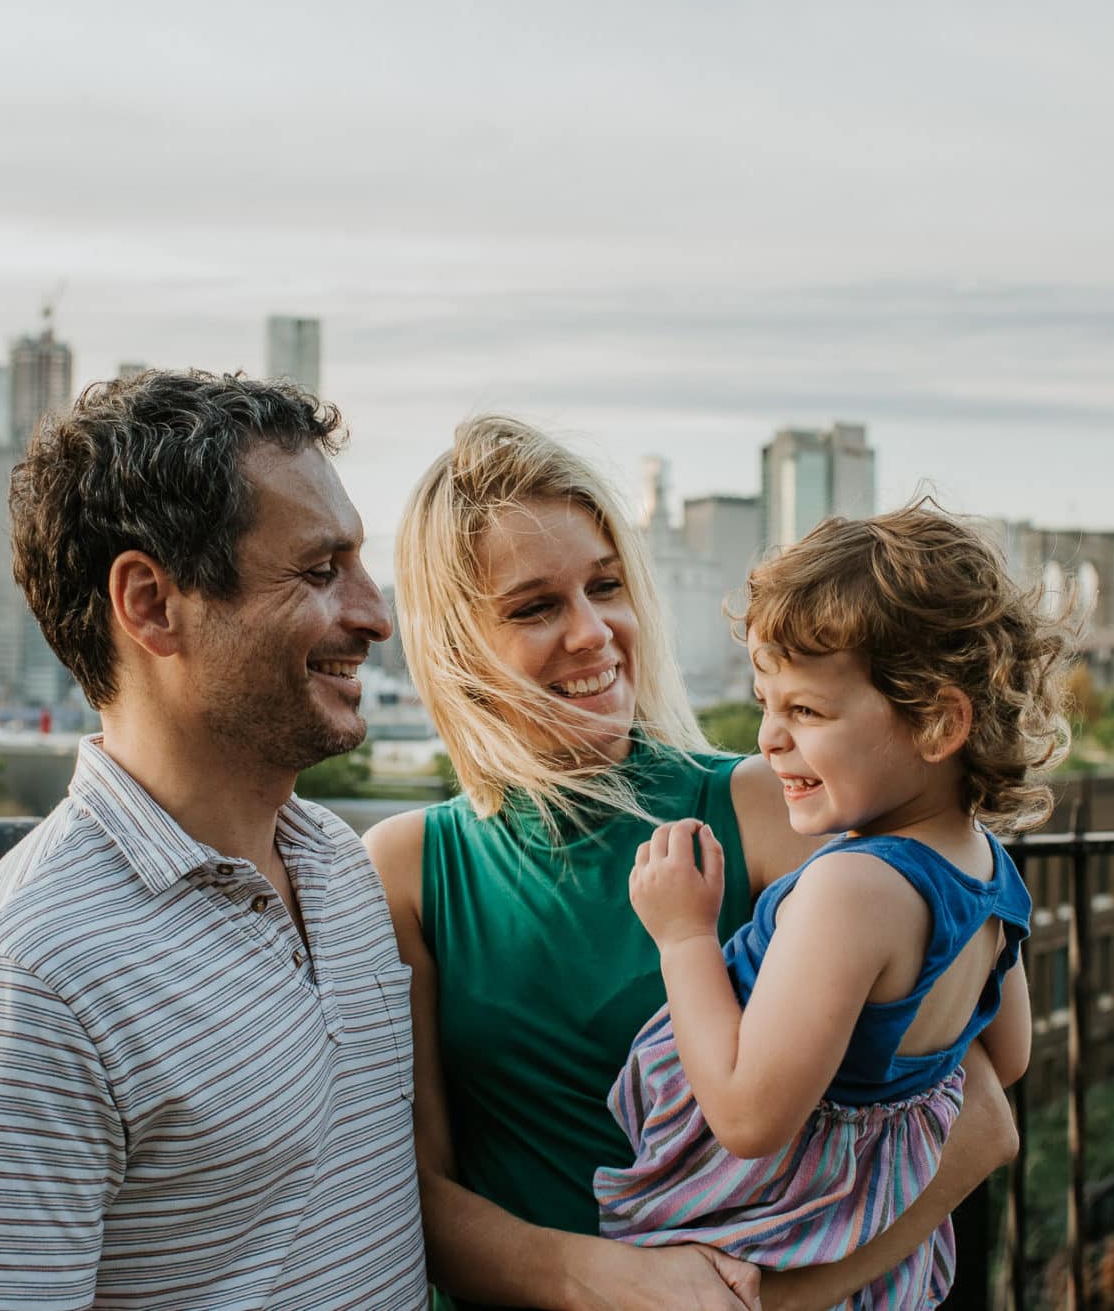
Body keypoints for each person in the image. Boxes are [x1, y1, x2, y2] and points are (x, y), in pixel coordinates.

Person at [365, 417, 1022, 1311]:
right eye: (534, 606)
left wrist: (771, 1300)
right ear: (452, 645)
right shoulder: (406, 868)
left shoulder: (771, 807)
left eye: (606, 585)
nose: (594, 631)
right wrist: (612, 1282)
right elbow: (414, 1194)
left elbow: (977, 1114)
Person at [0, 371, 427, 1309]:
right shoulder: (16, 987)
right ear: (148, 602)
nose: (376, 614)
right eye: (318, 569)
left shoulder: (338, 863)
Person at [597, 505, 1064, 1308]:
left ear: (938, 722)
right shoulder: (991, 873)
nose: (768, 737)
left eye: (805, 711)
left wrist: (682, 936)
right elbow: (1007, 1053)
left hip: (755, 1225)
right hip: (867, 1243)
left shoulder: (852, 889)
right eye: (766, 703)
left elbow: (747, 1114)